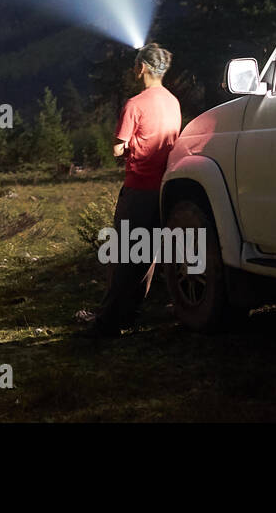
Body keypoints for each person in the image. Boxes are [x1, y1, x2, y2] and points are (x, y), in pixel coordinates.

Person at [89, 42, 181, 338]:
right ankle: (132, 314)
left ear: (142, 68)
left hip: (138, 188)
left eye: (135, 66)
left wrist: (128, 145)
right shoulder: (173, 102)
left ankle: (108, 321)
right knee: (148, 255)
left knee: (123, 256)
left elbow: (117, 149)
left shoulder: (135, 104)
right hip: (165, 188)